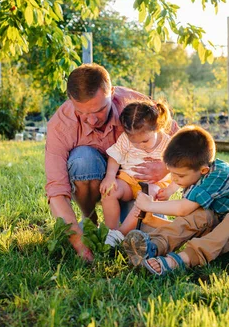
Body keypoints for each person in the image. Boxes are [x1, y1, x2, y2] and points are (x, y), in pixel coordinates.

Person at [45, 63, 176, 261]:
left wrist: (165, 167)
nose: (91, 120)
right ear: (71, 101)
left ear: (112, 93)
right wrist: (79, 245)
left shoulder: (135, 106)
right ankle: (89, 220)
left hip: (138, 183)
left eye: (98, 110)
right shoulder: (61, 125)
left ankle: (117, 230)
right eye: (82, 113)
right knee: (82, 159)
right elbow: (56, 192)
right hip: (106, 184)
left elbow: (186, 146)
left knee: (145, 234)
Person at [121, 125, 229, 275]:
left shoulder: (218, 175)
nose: (174, 179)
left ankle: (181, 260)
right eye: (171, 173)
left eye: (180, 176)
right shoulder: (194, 179)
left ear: (203, 170)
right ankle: (153, 247)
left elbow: (182, 209)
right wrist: (154, 221)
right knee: (202, 214)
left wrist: (150, 205)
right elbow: (192, 225)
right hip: (219, 233)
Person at [100, 100, 179, 246]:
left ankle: (121, 233)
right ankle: (110, 231)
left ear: (157, 128)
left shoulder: (168, 145)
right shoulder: (125, 140)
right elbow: (115, 157)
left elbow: (178, 170)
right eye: (135, 142)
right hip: (128, 181)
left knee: (149, 195)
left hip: (154, 185)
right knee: (110, 192)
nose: (140, 146)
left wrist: (169, 190)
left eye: (145, 141)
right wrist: (110, 177)